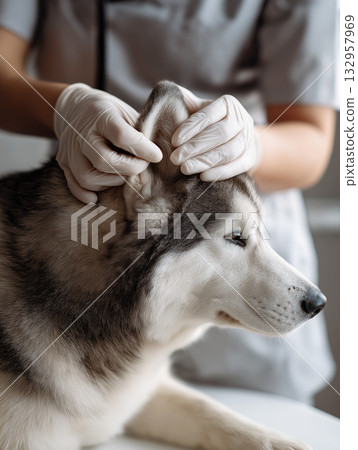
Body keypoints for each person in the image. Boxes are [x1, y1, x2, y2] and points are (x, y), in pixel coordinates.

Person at [0, 0, 337, 404]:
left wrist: (250, 143)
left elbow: (313, 139)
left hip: (236, 247)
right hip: (85, 244)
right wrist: (64, 106)